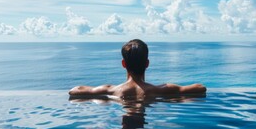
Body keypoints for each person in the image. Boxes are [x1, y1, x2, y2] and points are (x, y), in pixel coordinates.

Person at [68, 39, 206, 99]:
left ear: (123, 64)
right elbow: (200, 88)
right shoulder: (159, 90)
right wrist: (165, 88)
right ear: (147, 64)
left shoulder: (112, 90)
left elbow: (75, 91)